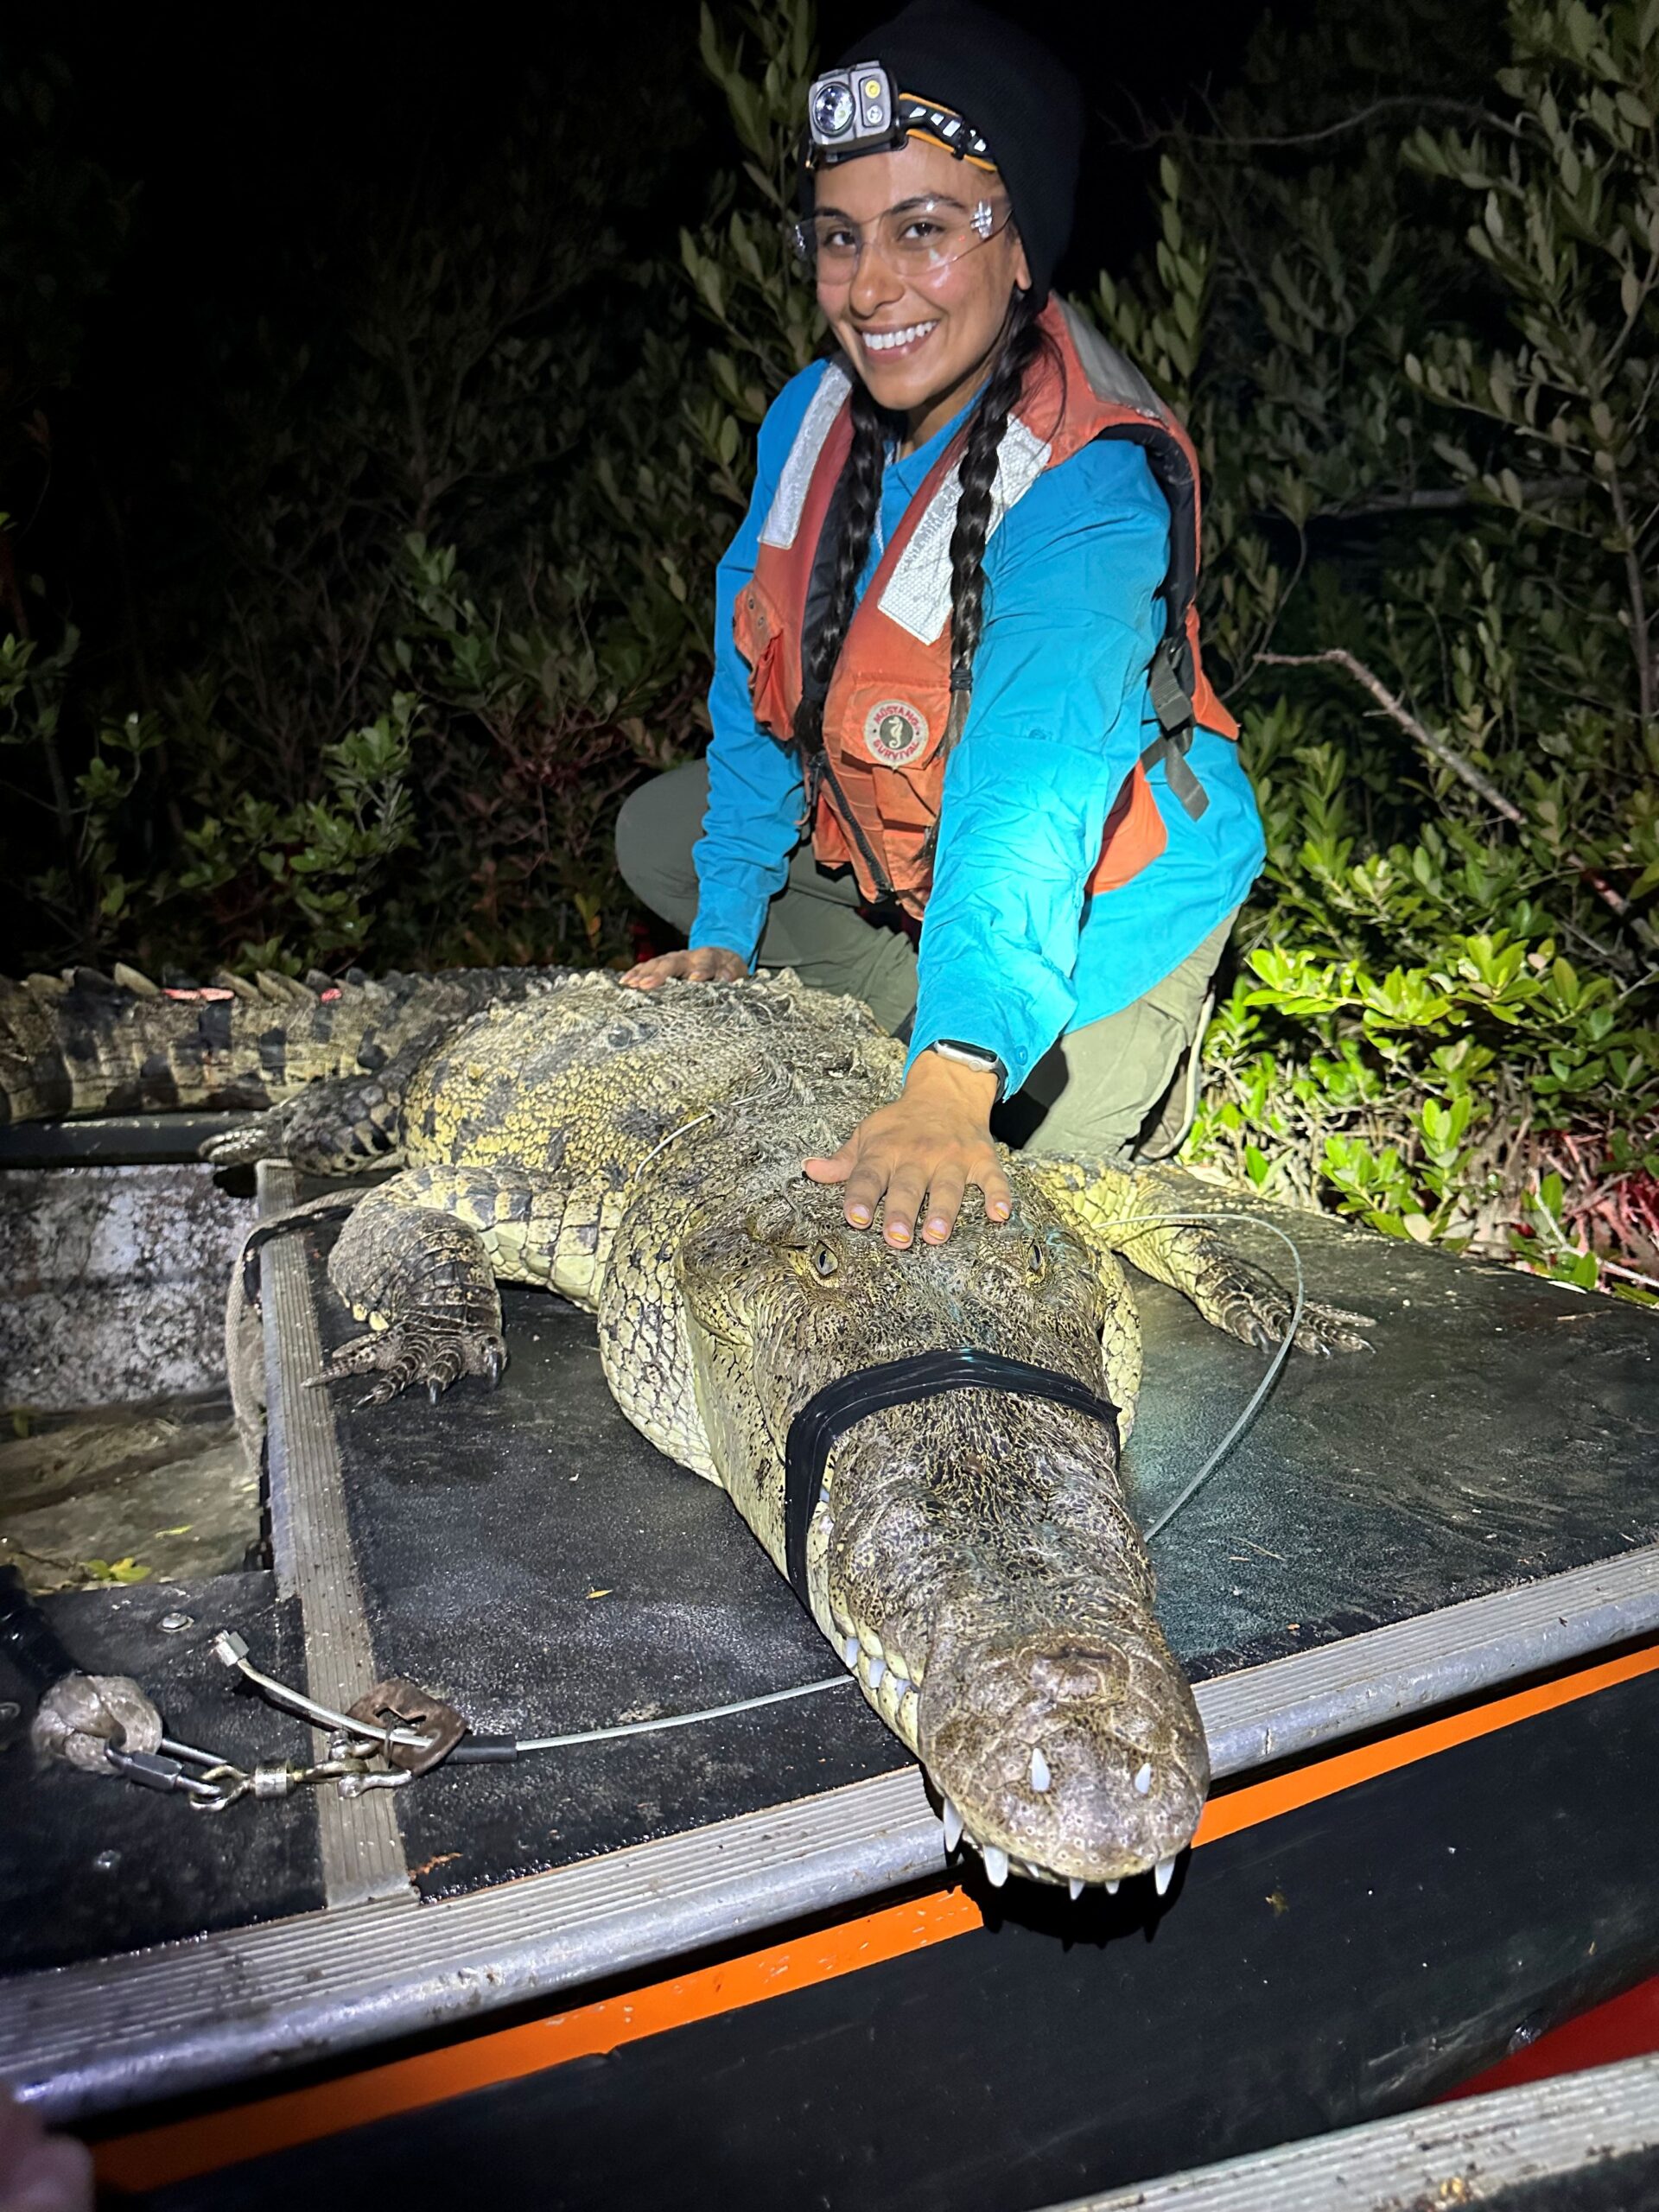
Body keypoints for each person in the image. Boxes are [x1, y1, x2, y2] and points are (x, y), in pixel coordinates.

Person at [618, 0, 1263, 1254]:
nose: (868, 289)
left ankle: (1006, 1027)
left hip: (1108, 888)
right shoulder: (809, 418)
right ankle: (929, 995)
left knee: (1021, 1218)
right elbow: (748, 689)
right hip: (914, 851)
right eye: (839, 238)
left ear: (1022, 247)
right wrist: (720, 935)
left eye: (924, 232)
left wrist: (953, 1083)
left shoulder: (1086, 485)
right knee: (664, 831)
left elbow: (1026, 806)